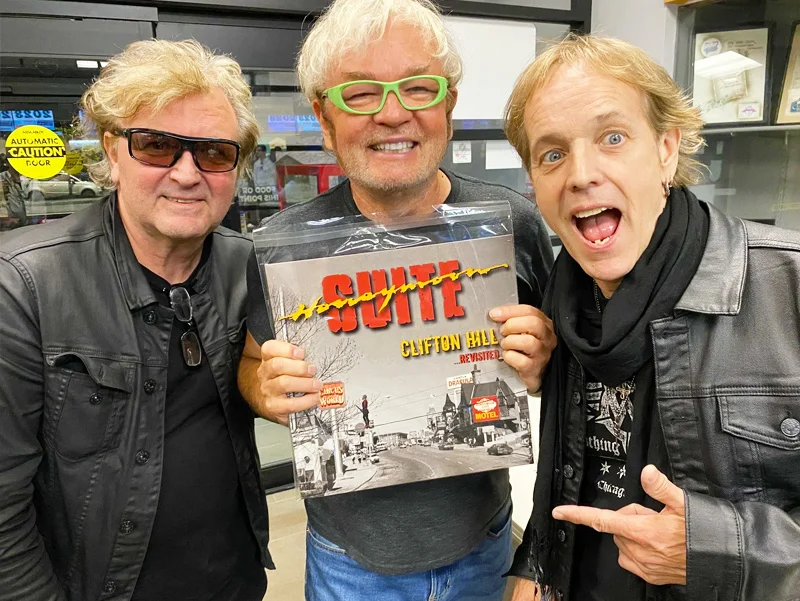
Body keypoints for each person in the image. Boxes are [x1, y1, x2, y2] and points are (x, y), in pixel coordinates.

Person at [236, 1, 556, 599]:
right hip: (348, 562)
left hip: (485, 544)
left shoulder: (511, 223)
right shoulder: (281, 247)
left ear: (449, 107)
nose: (392, 113)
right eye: (360, 93)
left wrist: (545, 360)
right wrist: (267, 389)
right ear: (324, 117)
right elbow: (251, 365)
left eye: (418, 88)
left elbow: (573, 385)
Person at [503, 34, 800, 601]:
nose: (580, 174)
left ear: (666, 149)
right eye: (552, 154)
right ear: (534, 182)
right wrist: (536, 564)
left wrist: (718, 552)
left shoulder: (786, 288)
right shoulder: (564, 302)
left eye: (612, 138)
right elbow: (577, 471)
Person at [0, 39, 273, 601]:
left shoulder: (250, 267)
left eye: (214, 152)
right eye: (157, 146)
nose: (187, 173)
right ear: (112, 151)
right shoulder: (25, 285)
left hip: (235, 582)